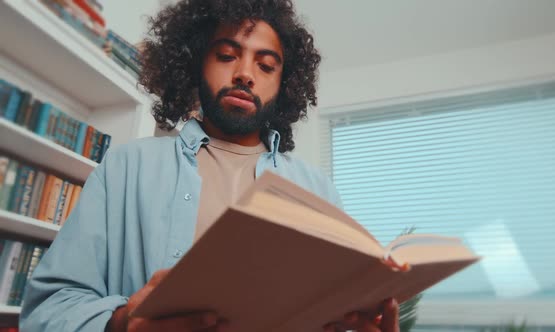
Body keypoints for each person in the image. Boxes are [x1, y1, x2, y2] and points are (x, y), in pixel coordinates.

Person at [20, 0, 400, 331]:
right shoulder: (125, 167)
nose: (245, 74)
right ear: (196, 63)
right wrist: (121, 323)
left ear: (285, 85)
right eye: (226, 55)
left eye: (266, 66)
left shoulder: (318, 189)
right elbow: (47, 309)